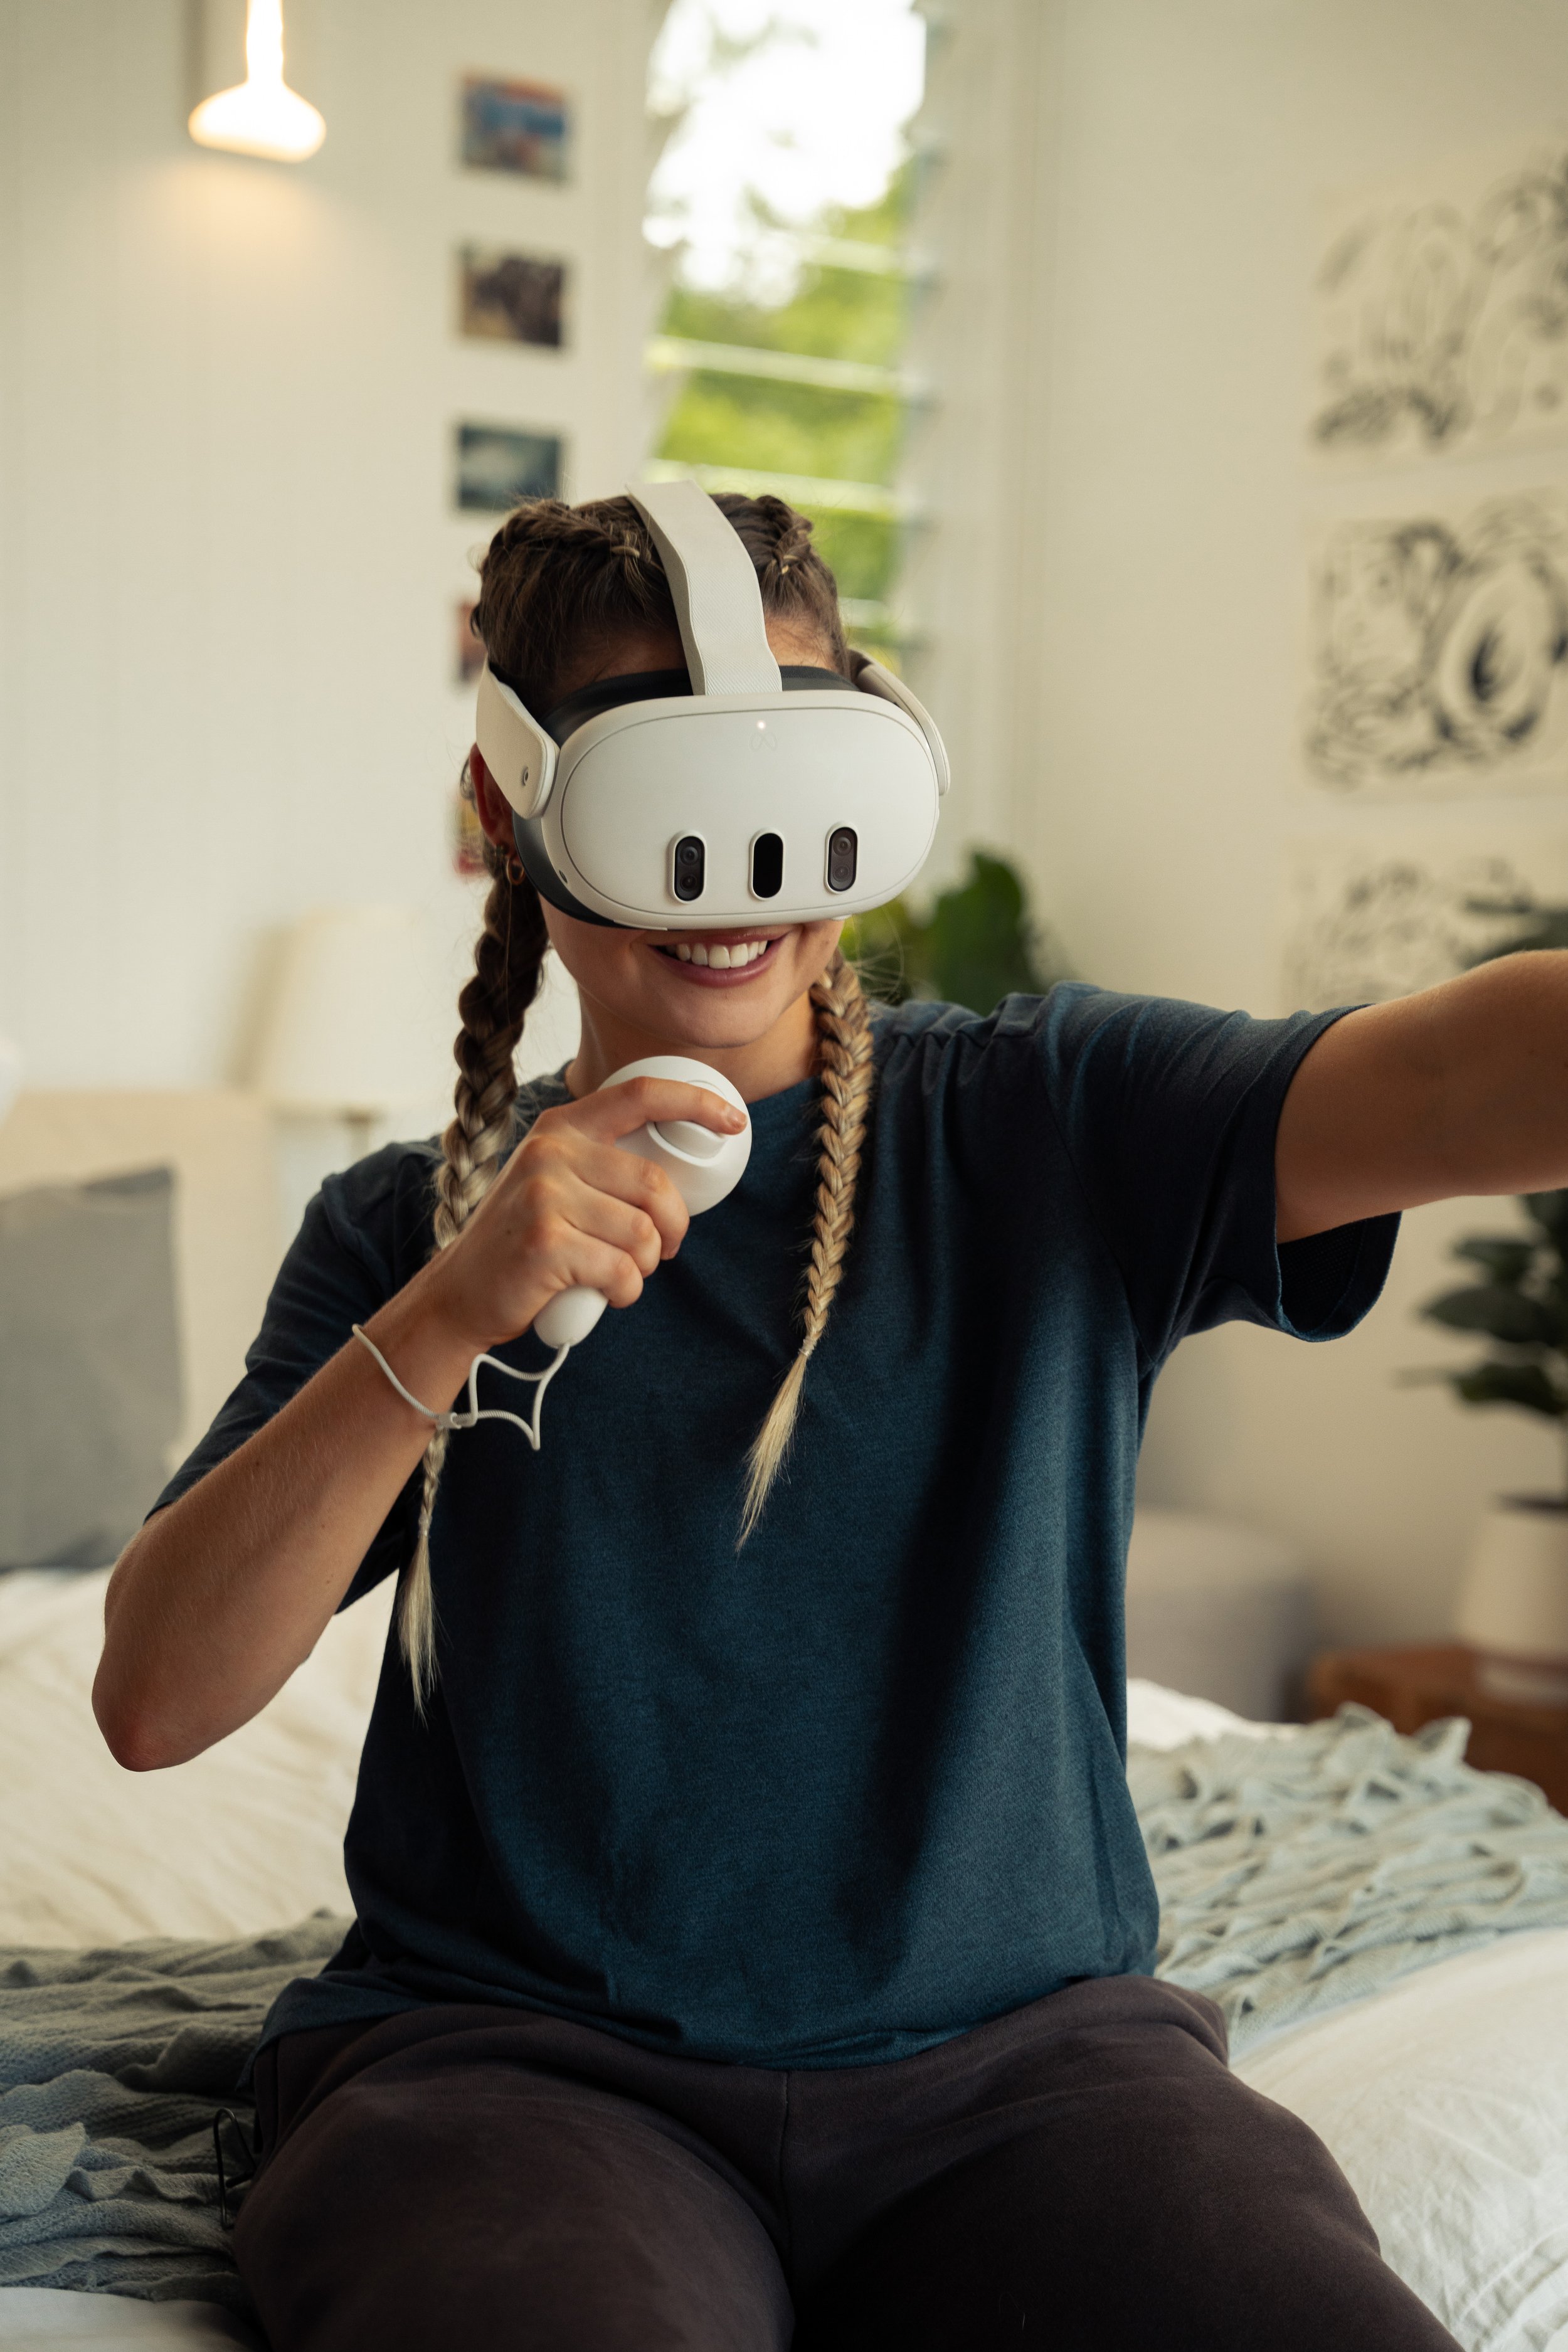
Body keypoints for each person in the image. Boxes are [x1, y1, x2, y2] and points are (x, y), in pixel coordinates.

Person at [99, 488, 1550, 2352]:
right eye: (664, 792)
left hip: (1032, 2080)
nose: (737, 881)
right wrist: (452, 1311)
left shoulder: (1051, 1118)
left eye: (784, 771)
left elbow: (1448, 1082)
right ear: (510, 811)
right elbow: (155, 1698)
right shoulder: (402, 1230)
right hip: (517, 2078)